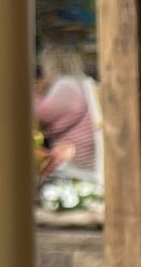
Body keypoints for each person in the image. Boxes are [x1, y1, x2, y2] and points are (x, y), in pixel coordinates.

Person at [34, 46, 98, 177]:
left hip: (76, 165)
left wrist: (37, 91)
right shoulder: (80, 83)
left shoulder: (66, 85)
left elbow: (37, 113)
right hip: (85, 161)